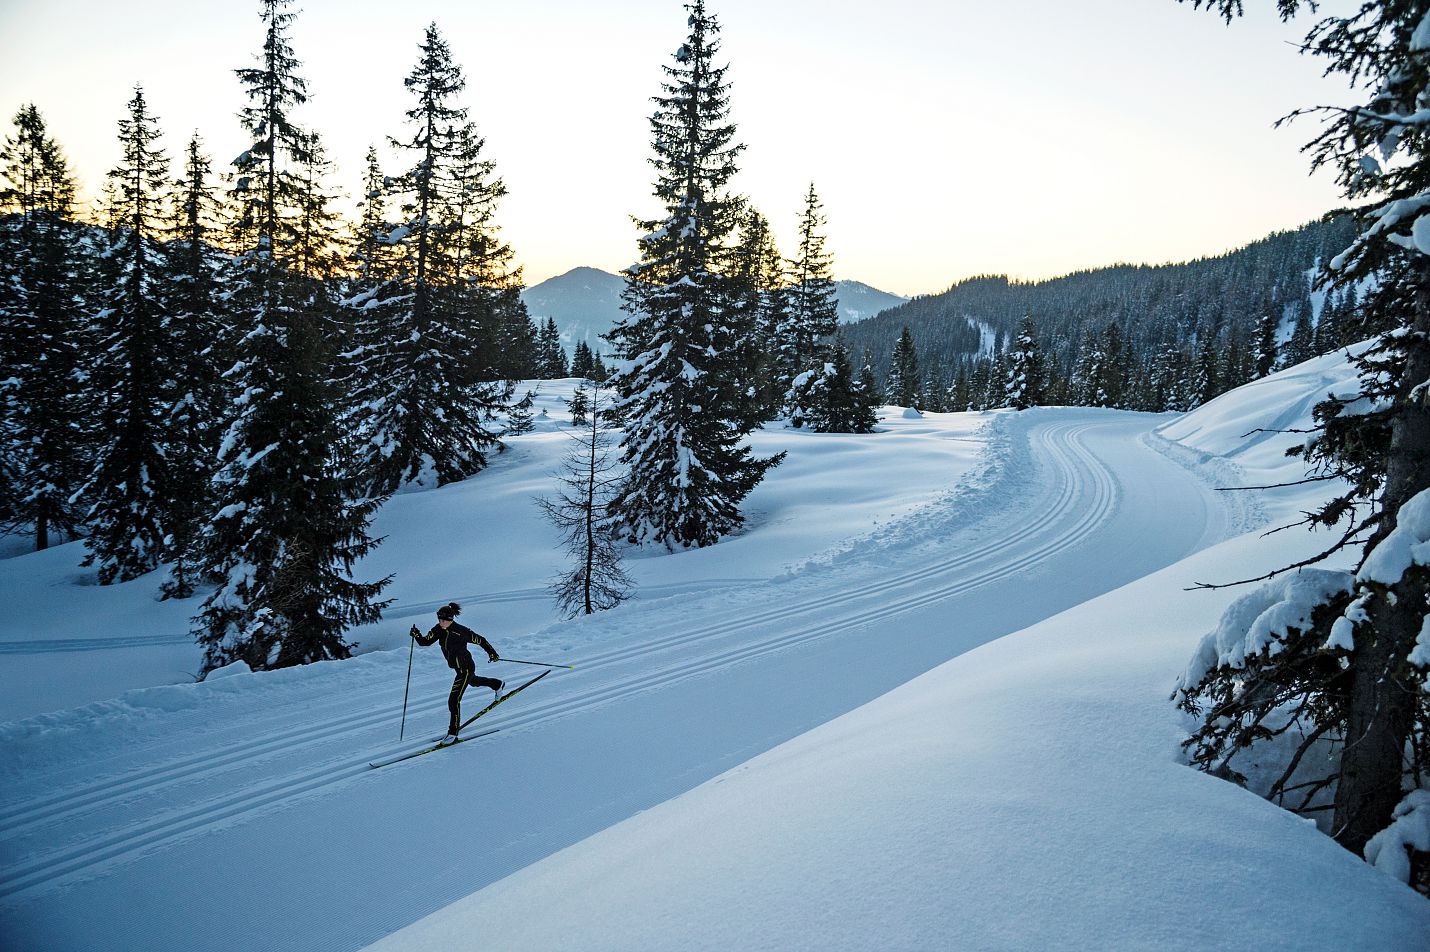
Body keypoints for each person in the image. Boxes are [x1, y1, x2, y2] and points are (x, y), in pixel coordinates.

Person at [410, 602, 503, 742]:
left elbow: (481, 640)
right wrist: (417, 635)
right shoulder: (438, 629)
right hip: (458, 668)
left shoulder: (461, 631)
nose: (440, 622)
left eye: (443, 620)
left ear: (450, 620)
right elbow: (425, 642)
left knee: (453, 700)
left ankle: (453, 733)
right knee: (474, 682)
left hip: (465, 667)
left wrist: (492, 653)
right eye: (439, 619)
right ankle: (497, 684)